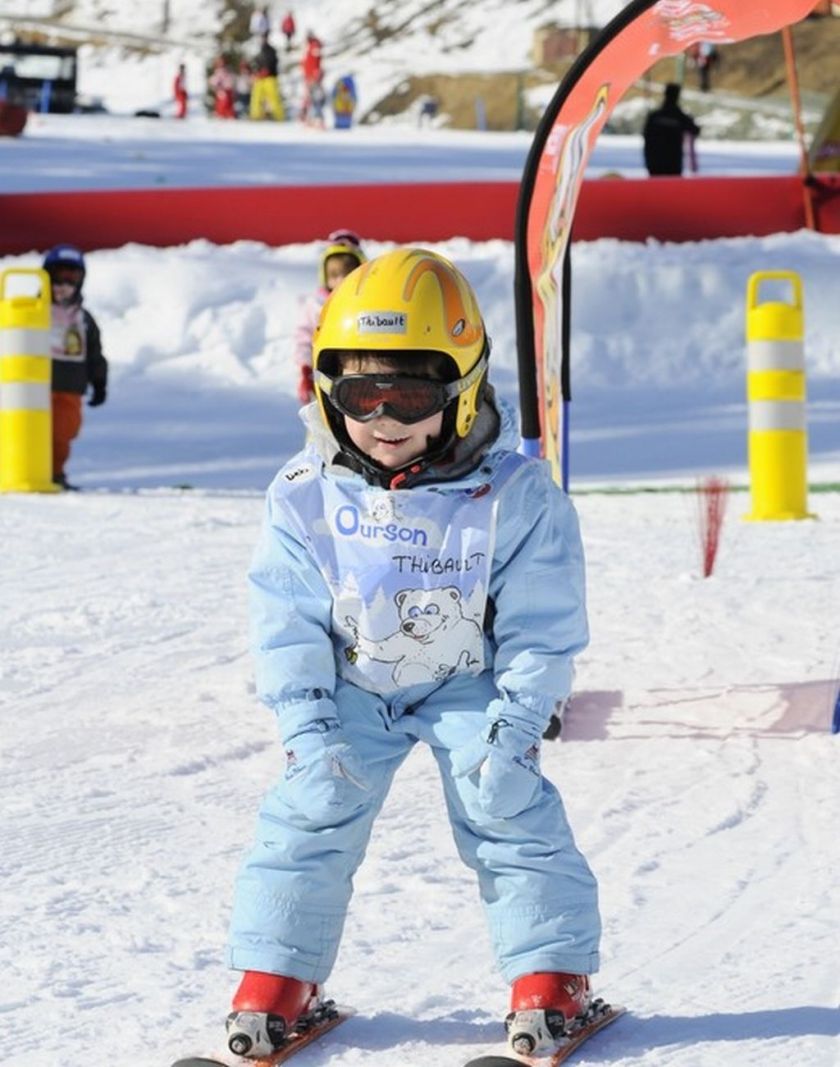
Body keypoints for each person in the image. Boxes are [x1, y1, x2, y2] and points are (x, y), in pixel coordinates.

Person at [224, 248, 601, 1061]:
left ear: (461, 394)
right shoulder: (303, 493)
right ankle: (277, 975)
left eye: (413, 394)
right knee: (306, 811)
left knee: (506, 805)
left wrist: (518, 724)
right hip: (355, 683)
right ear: (330, 395)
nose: (386, 417)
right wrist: (307, 727)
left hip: (470, 684)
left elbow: (543, 626)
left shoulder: (515, 498)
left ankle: (550, 974)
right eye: (363, 395)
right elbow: (285, 620)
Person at [42, 244, 108, 489]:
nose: (64, 284)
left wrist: (99, 382)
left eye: (72, 277)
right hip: (36, 386)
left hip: (69, 388)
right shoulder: (32, 311)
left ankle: (55, 473)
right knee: (29, 431)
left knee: (62, 434)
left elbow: (95, 354)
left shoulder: (83, 320)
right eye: (59, 276)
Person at [293, 229, 366, 404]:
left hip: (360, 378)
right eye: (334, 275)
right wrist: (305, 369)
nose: (340, 280)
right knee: (323, 423)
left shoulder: (367, 303)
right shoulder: (315, 306)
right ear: (325, 276)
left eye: (347, 274)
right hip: (324, 377)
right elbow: (303, 339)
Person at [642, 82, 700, 176]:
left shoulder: (654, 116)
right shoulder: (680, 117)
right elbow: (695, 130)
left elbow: (646, 136)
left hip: (655, 162)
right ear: (678, 96)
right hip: (673, 163)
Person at [250, 33, 284, 121]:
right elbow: (255, 63)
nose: (262, 40)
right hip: (260, 78)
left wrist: (267, 69)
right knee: (256, 97)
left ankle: (279, 116)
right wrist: (256, 72)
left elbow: (273, 62)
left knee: (273, 97)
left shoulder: (271, 51)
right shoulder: (259, 51)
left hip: (270, 77)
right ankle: (256, 115)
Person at [299, 30, 323, 122]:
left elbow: (316, 61)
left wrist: (316, 73)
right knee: (308, 97)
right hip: (308, 76)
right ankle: (308, 117)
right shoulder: (309, 47)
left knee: (314, 97)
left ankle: (317, 117)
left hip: (313, 77)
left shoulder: (314, 45)